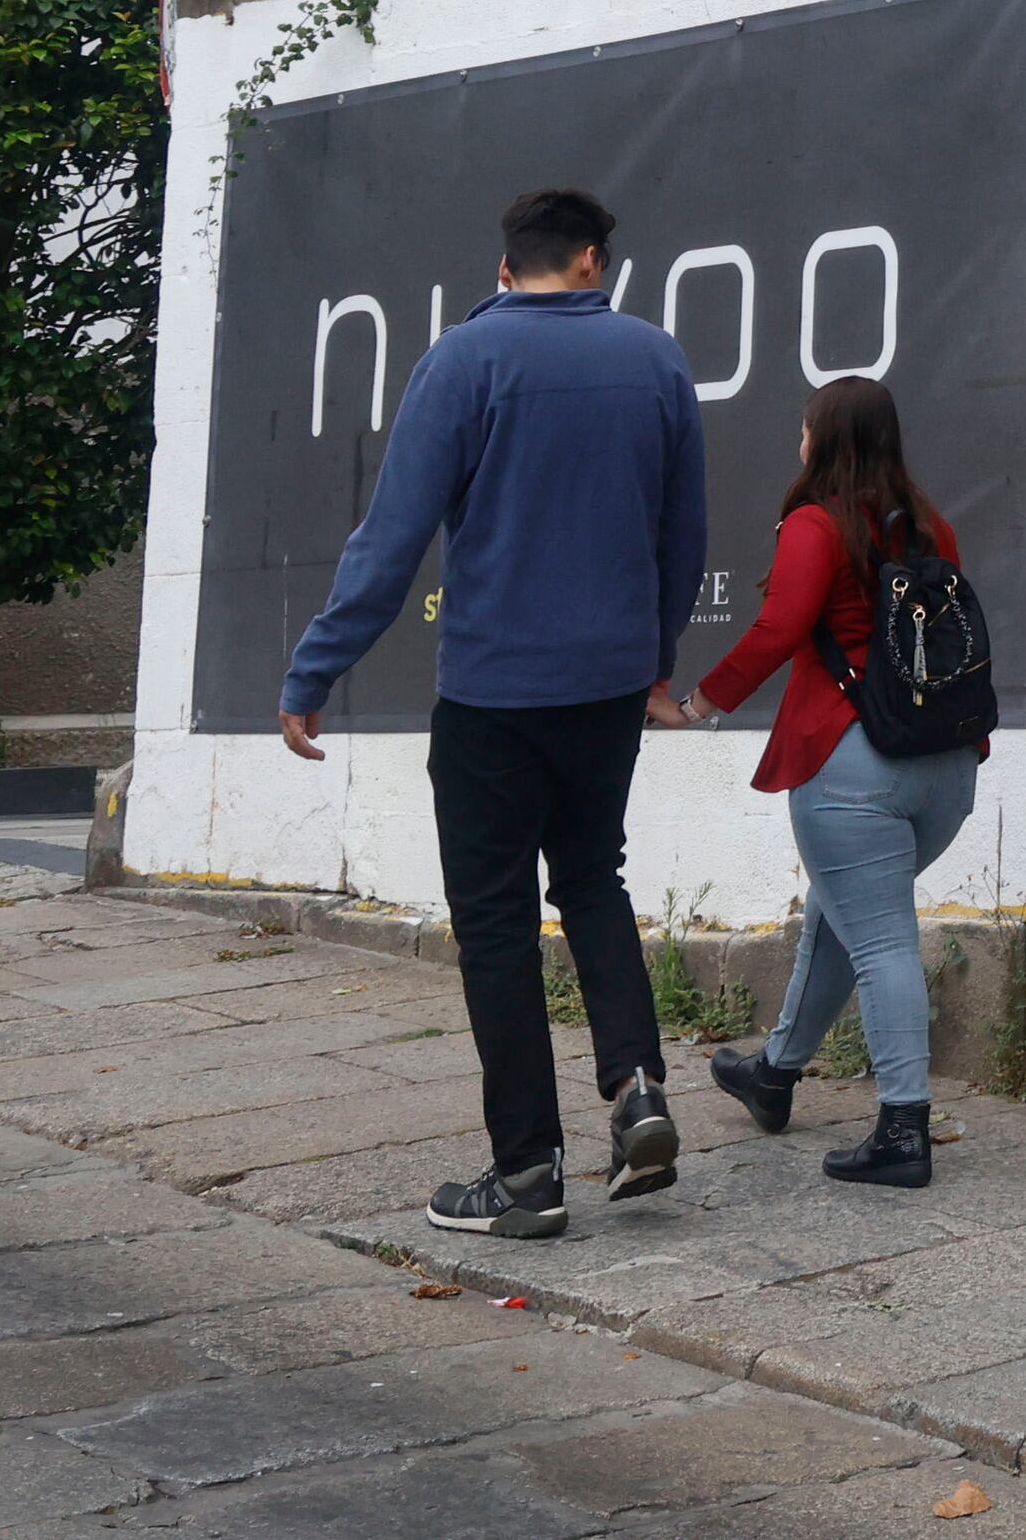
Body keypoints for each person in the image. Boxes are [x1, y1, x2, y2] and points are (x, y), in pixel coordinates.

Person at [279, 186, 708, 1241]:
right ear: (593, 262)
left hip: (493, 694)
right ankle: (638, 1087)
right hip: (608, 687)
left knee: (498, 927)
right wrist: (656, 664)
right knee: (593, 880)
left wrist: (314, 671)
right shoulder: (655, 360)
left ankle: (526, 1174)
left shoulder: (462, 362)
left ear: (504, 266)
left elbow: (392, 538)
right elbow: (681, 534)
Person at [676, 376, 984, 1188]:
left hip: (853, 768)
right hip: (945, 770)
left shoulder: (816, 524)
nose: (798, 441)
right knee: (842, 910)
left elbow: (779, 627)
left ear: (826, 438)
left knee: (878, 933)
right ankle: (774, 1071)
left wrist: (697, 703)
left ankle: (903, 1127)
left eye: (806, 427)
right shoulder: (934, 527)